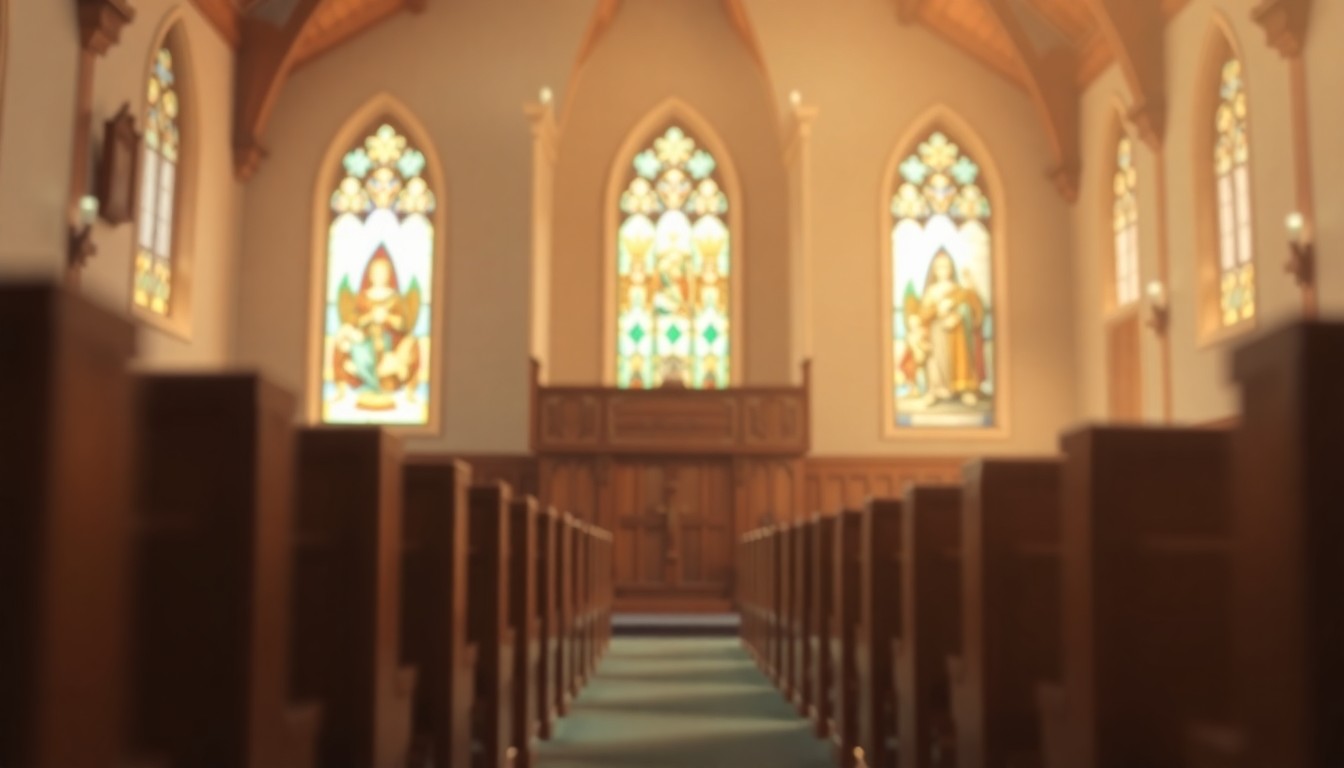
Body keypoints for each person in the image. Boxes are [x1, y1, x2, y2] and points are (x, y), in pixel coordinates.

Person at [913, 250, 985, 407]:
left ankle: (962, 390)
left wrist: (958, 314)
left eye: (946, 267)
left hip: (955, 332)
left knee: (957, 359)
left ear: (951, 269)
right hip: (936, 331)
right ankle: (935, 390)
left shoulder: (958, 289)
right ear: (934, 270)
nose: (943, 270)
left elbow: (972, 309)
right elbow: (923, 313)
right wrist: (937, 309)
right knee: (936, 361)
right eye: (939, 267)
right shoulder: (931, 291)